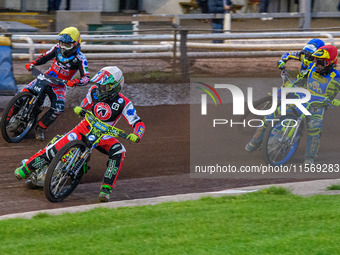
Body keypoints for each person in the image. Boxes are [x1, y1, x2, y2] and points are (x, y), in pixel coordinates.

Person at [14, 66, 145, 203]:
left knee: (120, 151)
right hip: (84, 128)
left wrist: (137, 134)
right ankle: (26, 168)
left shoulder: (124, 103)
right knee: (55, 148)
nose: (100, 88)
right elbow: (84, 105)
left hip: (104, 135)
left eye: (104, 86)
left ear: (115, 87)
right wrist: (80, 109)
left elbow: (138, 123)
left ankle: (106, 190)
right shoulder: (93, 91)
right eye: (99, 85)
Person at [245, 45, 340, 165]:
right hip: (301, 98)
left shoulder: (336, 77)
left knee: (314, 128)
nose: (317, 64)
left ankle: (309, 158)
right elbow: (301, 79)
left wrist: (335, 101)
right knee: (274, 112)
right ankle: (255, 141)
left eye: (321, 61)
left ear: (331, 63)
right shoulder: (311, 67)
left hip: (317, 107)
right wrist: (289, 87)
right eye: (315, 60)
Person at [22, 26, 90, 141]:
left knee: (59, 108)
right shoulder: (56, 48)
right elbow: (45, 57)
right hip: (45, 77)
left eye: (67, 44)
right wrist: (33, 63)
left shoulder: (81, 59)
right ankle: (7, 117)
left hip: (60, 85)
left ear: (76, 44)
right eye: (62, 43)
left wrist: (74, 82)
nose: (63, 47)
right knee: (24, 91)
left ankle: (40, 128)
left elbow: (86, 78)